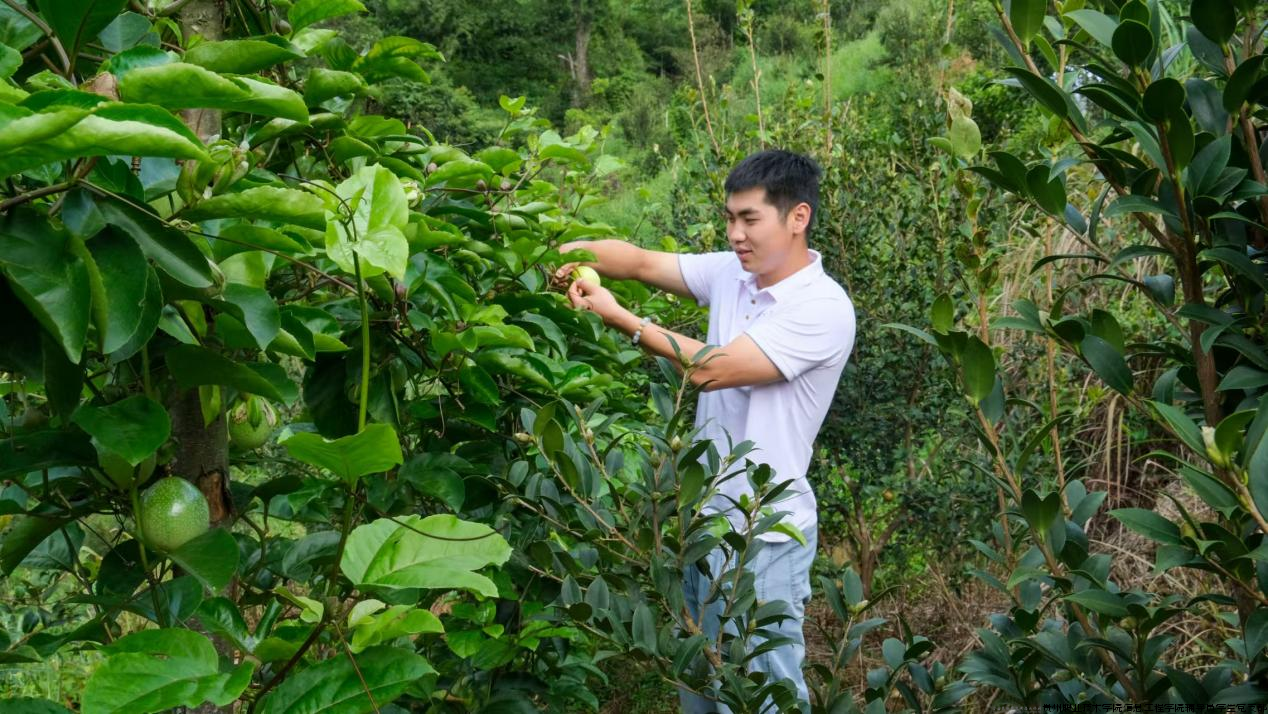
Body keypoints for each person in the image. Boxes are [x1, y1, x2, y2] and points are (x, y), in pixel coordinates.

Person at [555, 149, 855, 712]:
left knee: (763, 696)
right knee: (702, 690)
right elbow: (642, 262)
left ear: (798, 217)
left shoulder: (823, 307)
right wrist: (561, 252)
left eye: (749, 219)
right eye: (729, 218)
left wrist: (621, 317)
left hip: (761, 536)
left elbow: (714, 369)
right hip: (703, 525)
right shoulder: (731, 275)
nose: (736, 234)